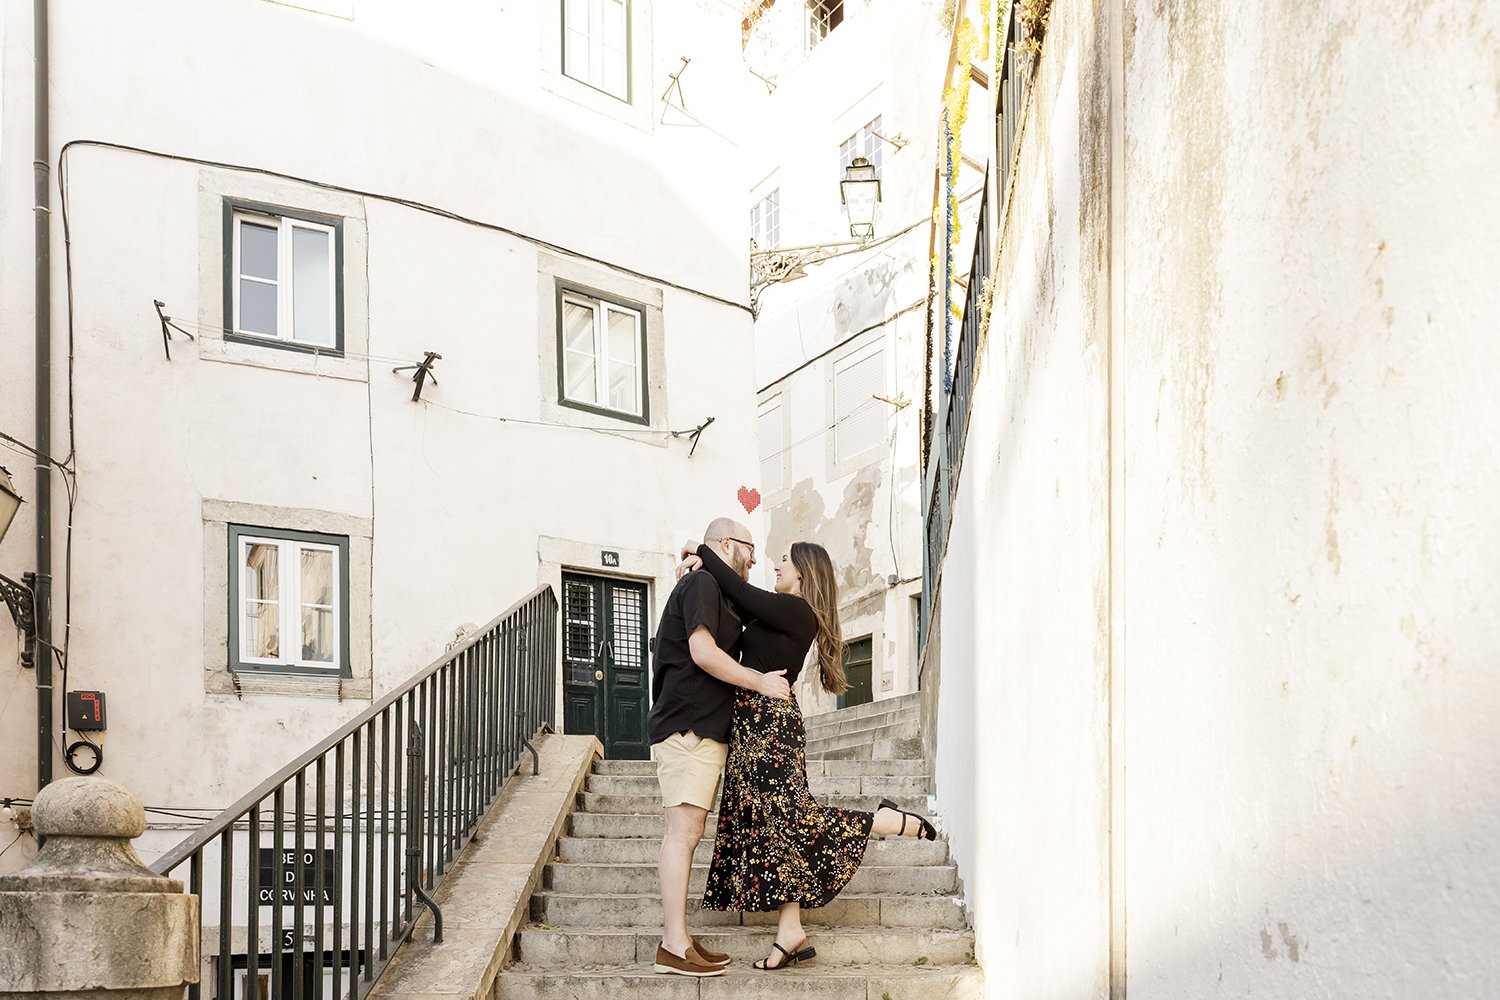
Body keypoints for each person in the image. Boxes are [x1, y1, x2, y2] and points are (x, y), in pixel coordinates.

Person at [679, 538, 938, 971]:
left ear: (803, 572)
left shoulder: (799, 611)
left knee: (790, 820)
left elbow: (738, 591)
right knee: (774, 826)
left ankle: (884, 821)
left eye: (784, 560)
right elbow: (732, 605)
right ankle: (790, 928)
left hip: (770, 724)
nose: (776, 565)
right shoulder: (783, 613)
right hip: (754, 722)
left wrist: (702, 549)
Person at [646, 517, 793, 978]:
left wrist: (697, 548)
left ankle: (681, 939)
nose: (755, 559)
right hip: (688, 726)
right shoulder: (704, 583)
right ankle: (673, 944)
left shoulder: (715, 585)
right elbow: (703, 653)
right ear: (728, 543)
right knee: (682, 834)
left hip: (701, 728)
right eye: (751, 549)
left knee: (686, 833)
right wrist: (761, 684)